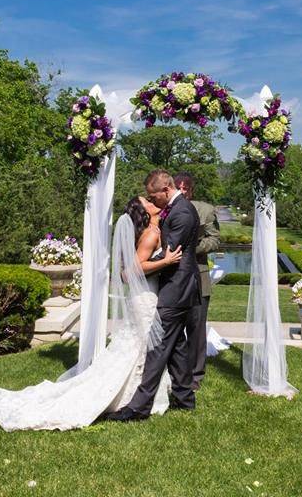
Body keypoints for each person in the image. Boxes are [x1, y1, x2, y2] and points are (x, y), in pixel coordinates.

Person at [0, 197, 183, 430]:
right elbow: (130, 272)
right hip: (144, 299)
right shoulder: (150, 235)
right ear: (144, 211)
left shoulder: (151, 230)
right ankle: (132, 397)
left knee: (140, 347)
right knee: (140, 347)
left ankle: (141, 394)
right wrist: (167, 261)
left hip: (146, 295)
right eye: (148, 201)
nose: (153, 202)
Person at [107, 170, 201, 422]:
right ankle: (184, 398)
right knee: (177, 345)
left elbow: (171, 253)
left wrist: (138, 266)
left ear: (166, 190)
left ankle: (138, 407)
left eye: (153, 195)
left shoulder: (181, 212)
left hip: (176, 288)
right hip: (175, 287)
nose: (153, 200)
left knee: (158, 347)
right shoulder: (176, 208)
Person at [173, 172, 220, 390]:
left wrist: (193, 249)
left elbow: (215, 239)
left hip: (198, 275)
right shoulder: (165, 209)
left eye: (186, 188)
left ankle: (195, 375)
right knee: (170, 326)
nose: (182, 191)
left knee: (196, 326)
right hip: (170, 277)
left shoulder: (205, 210)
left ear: (192, 191)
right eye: (178, 187)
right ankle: (172, 370)